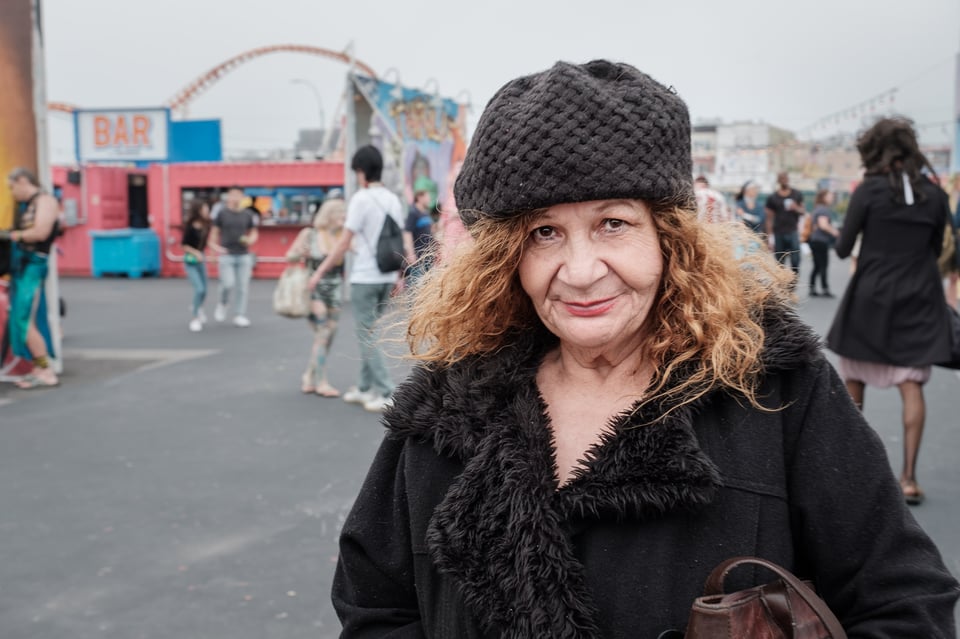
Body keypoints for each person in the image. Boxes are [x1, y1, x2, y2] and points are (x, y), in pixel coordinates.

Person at [331, 61, 959, 637]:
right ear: (504, 260)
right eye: (544, 233)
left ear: (671, 239)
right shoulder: (441, 412)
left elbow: (904, 603)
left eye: (614, 223)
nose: (580, 270)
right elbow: (376, 606)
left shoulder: (775, 390)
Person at [827, 117, 956, 506]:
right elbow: (937, 249)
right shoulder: (936, 196)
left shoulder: (868, 191)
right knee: (912, 383)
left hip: (871, 295)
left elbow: (845, 248)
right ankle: (908, 479)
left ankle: (848, 476)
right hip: (918, 295)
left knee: (854, 383)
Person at [307, 145, 404, 413]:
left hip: (365, 276)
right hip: (386, 275)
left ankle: (386, 391)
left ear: (361, 171)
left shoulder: (361, 199)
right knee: (370, 332)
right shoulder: (393, 199)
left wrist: (319, 272)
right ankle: (363, 387)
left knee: (366, 335)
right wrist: (399, 275)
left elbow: (342, 244)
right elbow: (399, 240)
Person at [2, 167, 60, 389]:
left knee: (24, 321)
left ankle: (45, 369)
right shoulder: (26, 206)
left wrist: (11, 235)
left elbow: (41, 232)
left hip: (33, 268)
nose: (12, 192)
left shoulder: (45, 201)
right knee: (20, 319)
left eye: (12, 187)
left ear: (23, 180)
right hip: (22, 268)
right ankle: (39, 367)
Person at [286, 194, 346, 397]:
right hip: (314, 287)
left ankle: (309, 376)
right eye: (340, 213)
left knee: (331, 334)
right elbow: (290, 256)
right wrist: (301, 253)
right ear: (329, 214)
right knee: (323, 332)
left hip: (335, 288)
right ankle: (321, 381)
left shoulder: (341, 236)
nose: (344, 217)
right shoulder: (310, 234)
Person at [209, 186, 258, 327]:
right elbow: (214, 233)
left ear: (242, 197)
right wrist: (213, 252)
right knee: (227, 283)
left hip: (243, 254)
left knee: (243, 287)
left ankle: (239, 314)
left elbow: (254, 232)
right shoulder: (222, 214)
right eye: (233, 195)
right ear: (228, 196)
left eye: (238, 195)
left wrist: (251, 239)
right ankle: (223, 303)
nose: (235, 197)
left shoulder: (248, 214)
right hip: (226, 254)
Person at [765, 171, 805, 279]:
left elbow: (803, 211)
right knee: (779, 261)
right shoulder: (773, 197)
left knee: (796, 259)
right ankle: (782, 284)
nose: (784, 180)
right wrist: (770, 236)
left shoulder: (796, 194)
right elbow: (769, 218)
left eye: (785, 178)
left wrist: (795, 208)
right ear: (778, 181)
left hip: (792, 231)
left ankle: (793, 282)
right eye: (781, 178)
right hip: (779, 232)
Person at [181, 199, 211, 332]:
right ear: (199, 210)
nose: (207, 211)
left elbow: (206, 242)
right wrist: (196, 253)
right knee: (199, 289)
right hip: (191, 260)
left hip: (201, 259)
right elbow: (184, 245)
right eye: (205, 208)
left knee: (205, 289)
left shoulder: (206, 225)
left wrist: (218, 249)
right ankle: (195, 318)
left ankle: (198, 307)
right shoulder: (190, 226)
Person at [806, 189, 840, 297]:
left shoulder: (817, 209)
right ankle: (825, 288)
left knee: (817, 265)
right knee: (823, 265)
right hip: (820, 241)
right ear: (824, 197)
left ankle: (812, 287)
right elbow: (823, 225)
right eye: (830, 196)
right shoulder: (823, 210)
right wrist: (835, 232)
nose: (832, 198)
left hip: (815, 240)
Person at [402, 189, 435, 284]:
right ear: (420, 197)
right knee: (416, 285)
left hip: (428, 256)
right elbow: (407, 232)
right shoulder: (413, 212)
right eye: (427, 197)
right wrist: (410, 254)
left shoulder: (425, 212)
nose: (429, 199)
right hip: (418, 257)